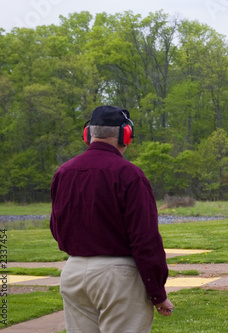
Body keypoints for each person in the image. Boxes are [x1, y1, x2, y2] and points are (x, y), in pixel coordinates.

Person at [50, 105, 173, 333]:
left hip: (73, 272)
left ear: (88, 134)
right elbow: (145, 240)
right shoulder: (130, 175)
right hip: (118, 277)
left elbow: (57, 228)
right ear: (126, 135)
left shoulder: (63, 173)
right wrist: (157, 292)